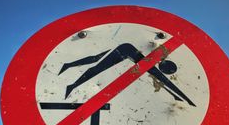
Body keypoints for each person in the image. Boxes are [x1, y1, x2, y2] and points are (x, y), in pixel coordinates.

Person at [58, 43, 195, 106]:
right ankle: (72, 82)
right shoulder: (137, 53)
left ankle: (72, 82)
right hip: (122, 51)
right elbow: (159, 76)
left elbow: (159, 76)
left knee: (95, 67)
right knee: (96, 67)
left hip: (123, 52)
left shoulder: (148, 60)